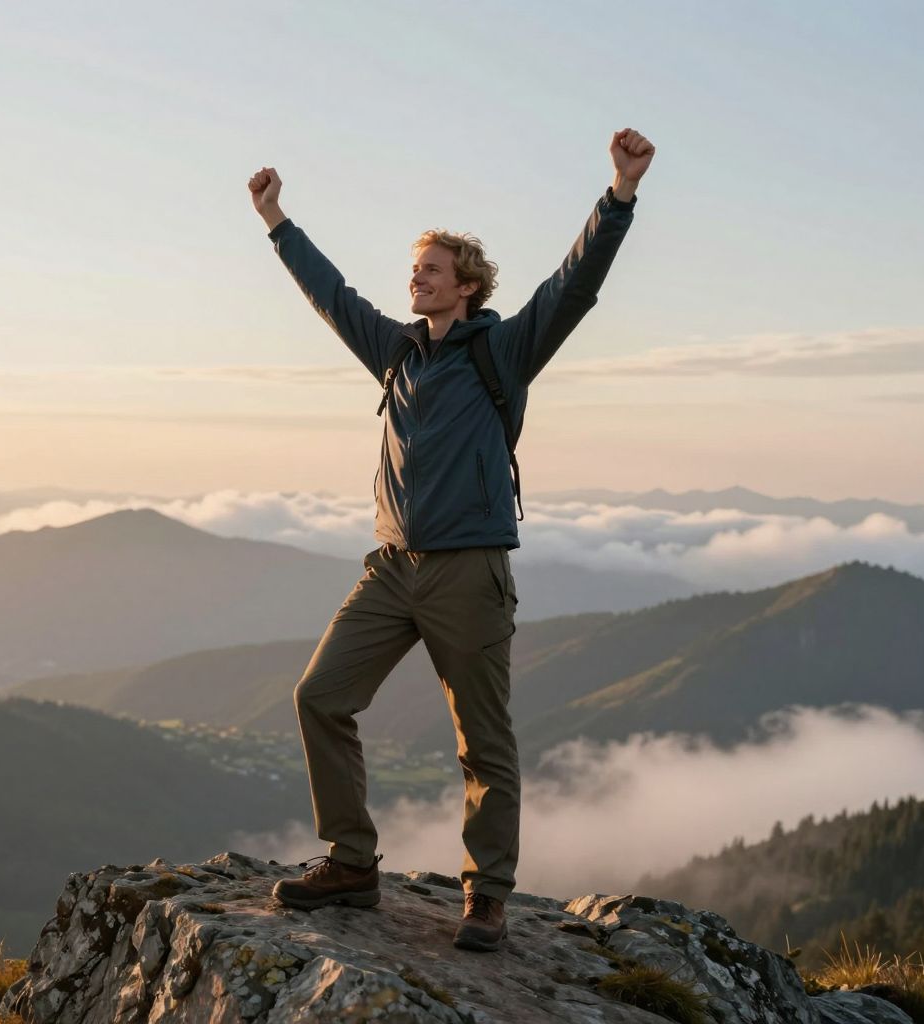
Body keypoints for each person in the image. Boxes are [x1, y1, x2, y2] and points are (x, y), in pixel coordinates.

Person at [246, 128, 654, 952]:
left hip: (469, 570)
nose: (416, 279)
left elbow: (573, 286)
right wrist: (276, 221)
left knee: (483, 741)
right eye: (416, 268)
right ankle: (353, 863)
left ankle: (487, 894)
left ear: (465, 286)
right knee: (319, 696)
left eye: (431, 269)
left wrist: (618, 195)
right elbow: (332, 295)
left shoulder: (503, 349)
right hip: (392, 568)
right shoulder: (395, 352)